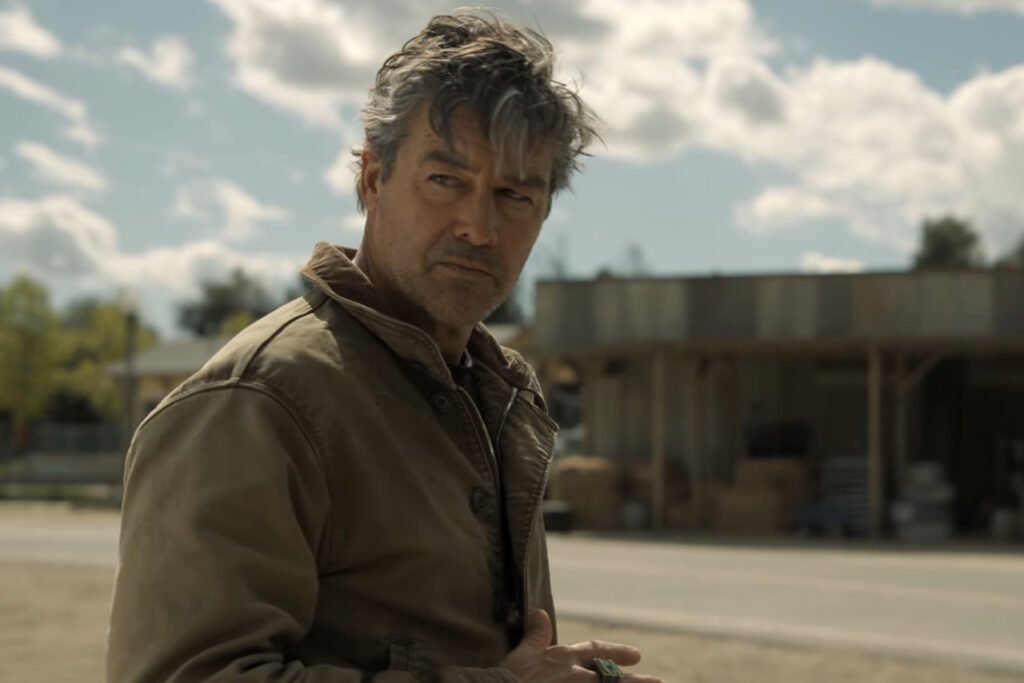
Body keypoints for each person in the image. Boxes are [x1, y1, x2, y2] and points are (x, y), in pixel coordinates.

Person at [108, 9, 662, 683]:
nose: (479, 226)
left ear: (544, 212)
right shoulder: (260, 403)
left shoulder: (497, 392)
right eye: (446, 180)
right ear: (372, 178)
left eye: (514, 194)